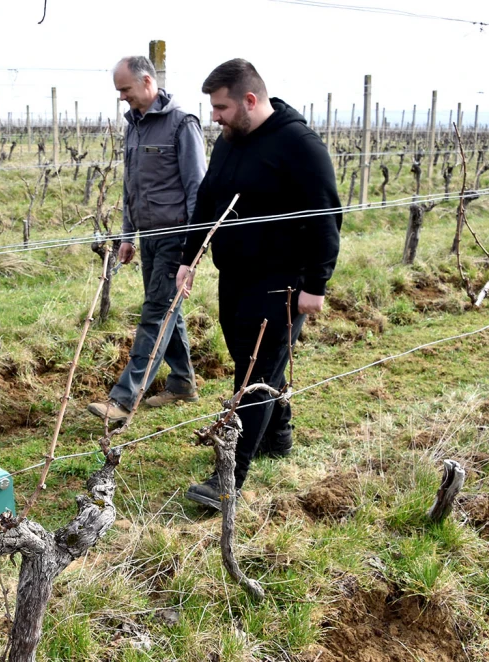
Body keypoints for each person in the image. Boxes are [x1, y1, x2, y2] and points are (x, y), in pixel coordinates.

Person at [179, 58, 341, 510]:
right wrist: (188, 258)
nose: (214, 116)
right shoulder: (230, 142)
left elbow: (326, 217)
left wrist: (316, 284)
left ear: (250, 100)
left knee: (254, 372)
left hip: (282, 283)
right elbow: (208, 200)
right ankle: (279, 430)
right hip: (234, 276)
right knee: (250, 361)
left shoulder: (299, 145)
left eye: (222, 107)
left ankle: (228, 477)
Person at [87, 56, 206, 425]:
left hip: (175, 237)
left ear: (147, 82)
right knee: (168, 309)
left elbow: (196, 189)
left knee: (156, 312)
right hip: (149, 238)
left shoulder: (182, 124)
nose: (122, 97)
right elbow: (130, 186)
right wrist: (127, 236)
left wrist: (193, 248)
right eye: (119, 90)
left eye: (125, 89)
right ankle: (183, 381)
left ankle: (123, 400)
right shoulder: (134, 127)